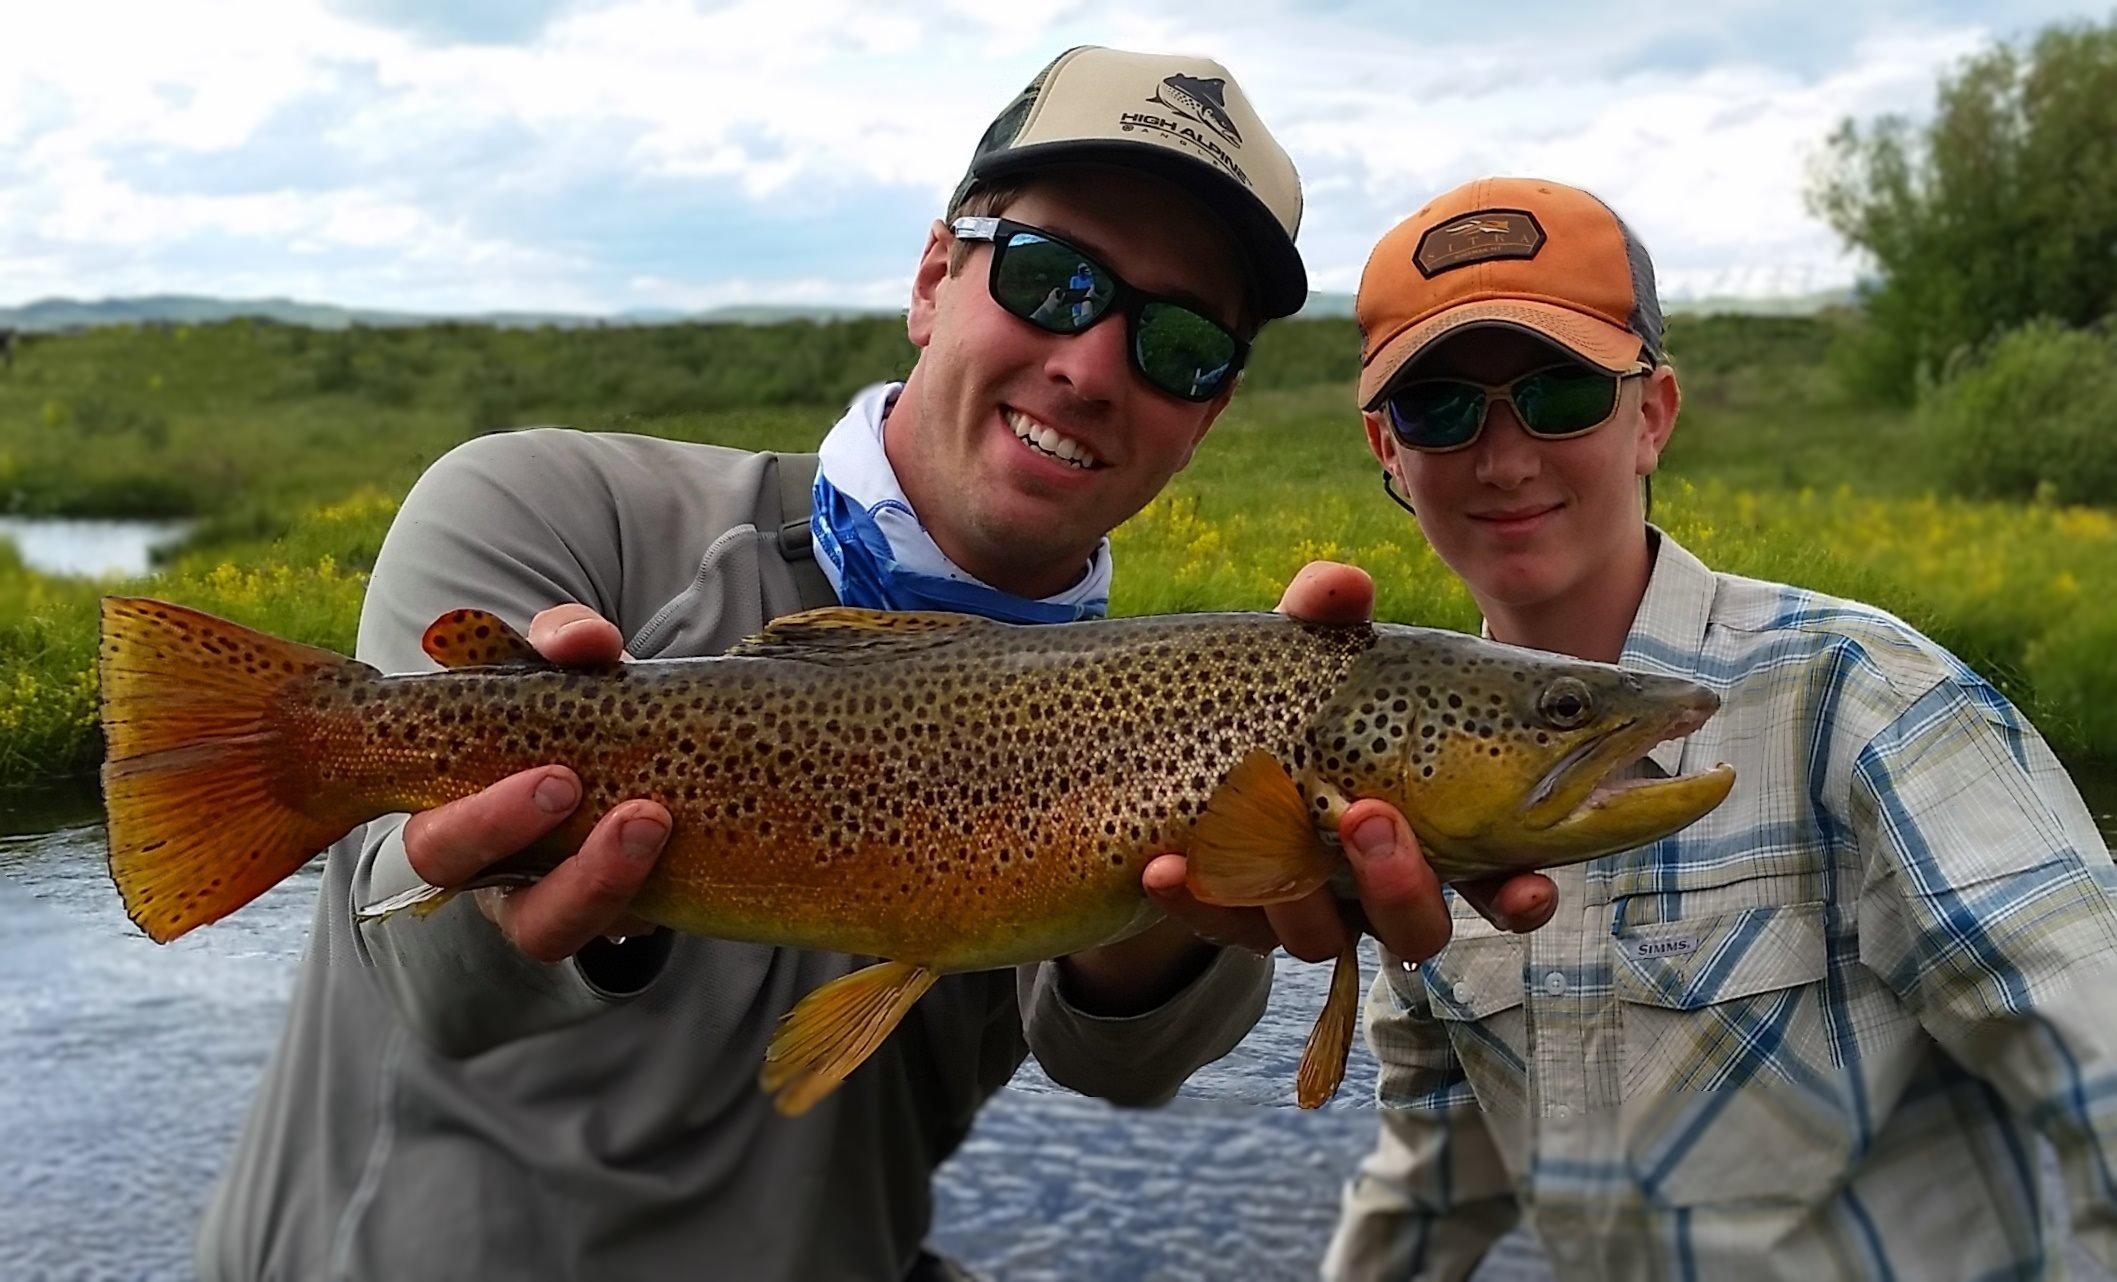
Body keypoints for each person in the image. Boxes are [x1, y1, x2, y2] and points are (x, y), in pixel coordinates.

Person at [195, 49, 1550, 1282]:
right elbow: (407, 957)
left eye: (1180, 344)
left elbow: (1115, 1061)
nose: (1089, 365)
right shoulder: (550, 511)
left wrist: (1175, 891)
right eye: (1050, 280)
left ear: (1208, 416)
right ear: (928, 280)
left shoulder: (1176, 705)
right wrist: (505, 877)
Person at [1321, 176, 2117, 1281]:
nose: (1501, 458)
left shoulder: (1858, 698)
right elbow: (1436, 1167)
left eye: (1558, 395)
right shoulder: (1405, 777)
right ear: (1385, 451)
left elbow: (2098, 1070)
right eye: (1439, 409)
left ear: (1650, 416)